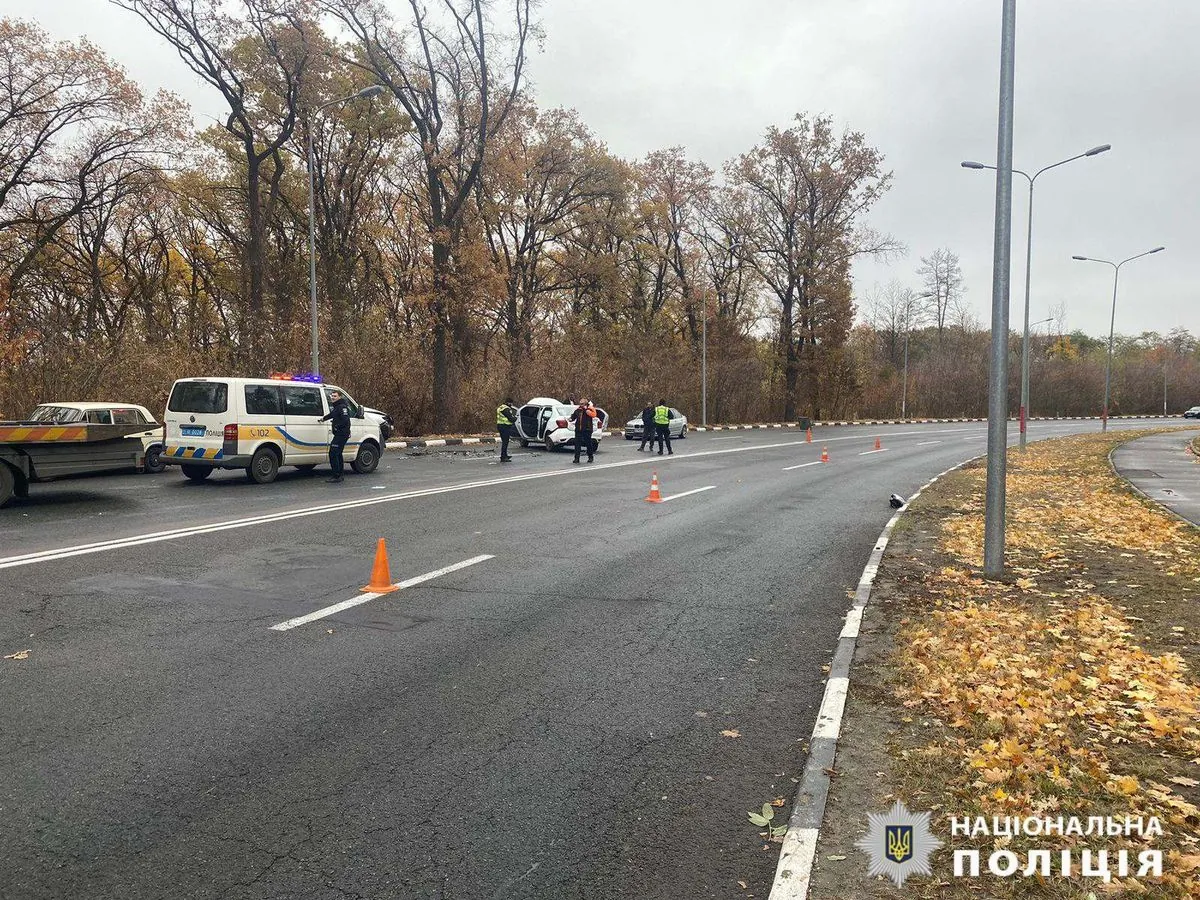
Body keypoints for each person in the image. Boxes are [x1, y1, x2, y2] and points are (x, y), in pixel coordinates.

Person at [320, 388, 352, 482]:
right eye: (332, 396)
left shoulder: (342, 407)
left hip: (341, 434)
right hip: (340, 434)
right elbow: (332, 415)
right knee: (338, 453)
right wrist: (323, 419)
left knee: (333, 453)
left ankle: (336, 476)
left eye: (335, 396)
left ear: (339, 397)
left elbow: (345, 420)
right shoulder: (337, 407)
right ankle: (339, 475)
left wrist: (337, 427)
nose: (333, 398)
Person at [570, 398, 599, 464]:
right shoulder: (578, 410)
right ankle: (576, 458)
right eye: (580, 403)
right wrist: (571, 418)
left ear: (586, 404)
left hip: (587, 430)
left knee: (588, 444)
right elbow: (573, 416)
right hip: (578, 430)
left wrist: (586, 410)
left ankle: (590, 457)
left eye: (582, 404)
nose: (581, 405)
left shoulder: (589, 409)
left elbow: (594, 415)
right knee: (577, 444)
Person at [496, 397, 518, 462]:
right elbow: (511, 419)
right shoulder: (506, 409)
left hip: (500, 426)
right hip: (505, 427)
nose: (511, 404)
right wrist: (516, 418)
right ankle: (503, 457)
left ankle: (505, 455)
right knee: (505, 442)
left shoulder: (501, 407)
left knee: (505, 441)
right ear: (508, 402)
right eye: (511, 403)